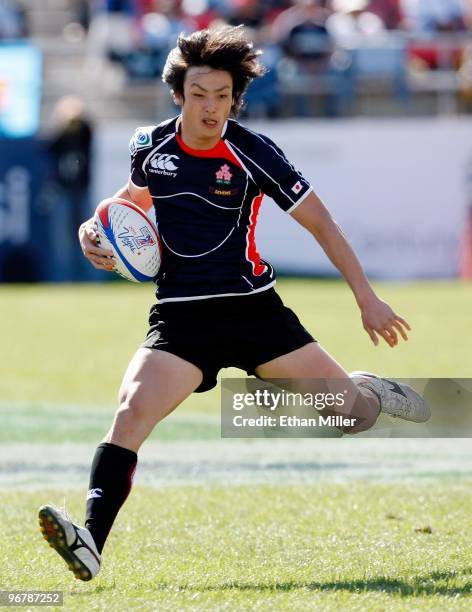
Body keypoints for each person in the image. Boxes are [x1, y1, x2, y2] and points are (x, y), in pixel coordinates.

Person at [37, 25, 429, 582]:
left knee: (353, 417)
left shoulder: (252, 151)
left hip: (254, 313)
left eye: (222, 96)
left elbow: (321, 224)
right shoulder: (149, 147)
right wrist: (94, 230)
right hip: (181, 319)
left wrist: (366, 299)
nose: (211, 107)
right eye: (199, 94)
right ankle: (90, 542)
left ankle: (369, 389)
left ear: (234, 98)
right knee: (131, 414)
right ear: (179, 95)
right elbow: (130, 203)